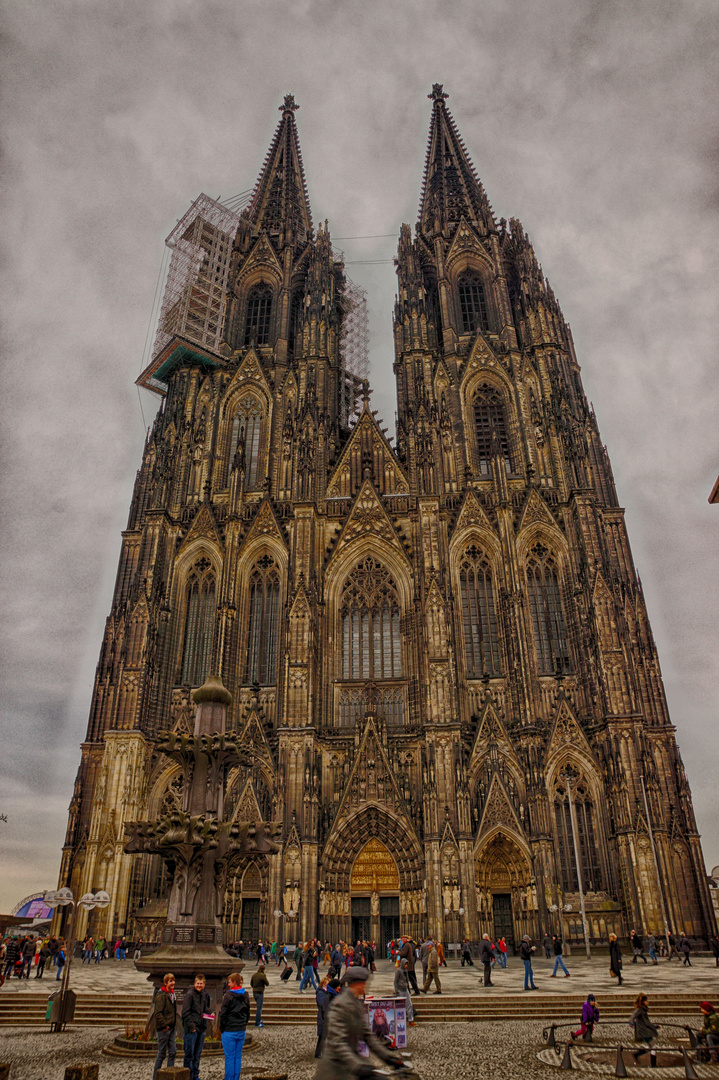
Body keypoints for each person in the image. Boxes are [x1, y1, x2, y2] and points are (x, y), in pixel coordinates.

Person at [314, 966, 404, 1080]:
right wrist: (359, 1067)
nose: (366, 986)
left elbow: (367, 1036)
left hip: (351, 1063)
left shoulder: (356, 1004)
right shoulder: (340, 1005)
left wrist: (390, 1059)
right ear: (356, 984)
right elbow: (338, 1042)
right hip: (336, 1068)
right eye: (363, 983)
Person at [219, 972, 250, 1080]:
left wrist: (222, 1028)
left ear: (234, 982)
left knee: (230, 1057)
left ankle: (229, 1078)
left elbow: (223, 1014)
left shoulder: (228, 996)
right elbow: (248, 1012)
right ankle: (236, 1078)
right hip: (241, 1029)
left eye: (229, 982)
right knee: (238, 1056)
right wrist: (243, 1024)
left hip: (229, 1030)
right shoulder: (245, 995)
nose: (228, 984)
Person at [181, 973, 211, 1080]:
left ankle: (195, 1075)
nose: (199, 985)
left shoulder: (203, 994)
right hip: (191, 1029)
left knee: (197, 1054)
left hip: (201, 1028)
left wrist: (210, 1013)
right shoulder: (189, 995)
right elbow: (185, 1012)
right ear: (194, 983)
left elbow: (204, 1008)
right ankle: (188, 1075)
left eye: (201, 984)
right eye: (197, 983)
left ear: (204, 984)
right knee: (189, 1055)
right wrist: (191, 1026)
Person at [152, 973, 177, 1079]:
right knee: (162, 1053)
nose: (173, 983)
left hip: (171, 1027)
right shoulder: (161, 995)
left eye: (173, 981)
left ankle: (169, 1075)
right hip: (164, 1029)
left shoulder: (171, 994)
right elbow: (158, 1013)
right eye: (170, 981)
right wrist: (165, 1025)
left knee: (173, 1051)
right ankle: (156, 1076)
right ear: (166, 983)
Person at [314, 974, 339, 1057]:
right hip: (322, 1016)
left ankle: (323, 1053)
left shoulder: (327, 993)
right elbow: (322, 1004)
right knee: (322, 1036)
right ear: (323, 984)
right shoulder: (321, 993)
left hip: (325, 1016)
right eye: (326, 983)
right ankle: (319, 1053)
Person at [630, 993, 659, 1064]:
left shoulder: (643, 1010)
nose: (648, 1002)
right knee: (653, 1047)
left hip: (644, 1031)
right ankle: (653, 1064)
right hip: (644, 1032)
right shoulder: (640, 1010)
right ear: (643, 1002)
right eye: (646, 1000)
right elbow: (633, 1017)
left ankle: (637, 1054)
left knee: (649, 1046)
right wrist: (631, 1023)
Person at [394, 957, 414, 1026]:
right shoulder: (399, 971)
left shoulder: (406, 971)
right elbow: (395, 981)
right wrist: (396, 990)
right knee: (400, 1005)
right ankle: (400, 1020)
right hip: (400, 989)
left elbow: (407, 981)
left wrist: (408, 988)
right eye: (405, 964)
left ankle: (411, 1020)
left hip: (405, 989)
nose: (406, 966)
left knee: (409, 1004)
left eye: (407, 964)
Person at [250, 961, 269, 1028]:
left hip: (254, 992)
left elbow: (251, 983)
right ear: (263, 970)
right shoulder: (262, 975)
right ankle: (257, 1023)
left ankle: (259, 1020)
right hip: (260, 993)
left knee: (258, 1007)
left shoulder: (254, 975)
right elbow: (267, 983)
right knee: (259, 1008)